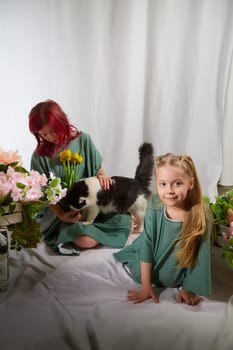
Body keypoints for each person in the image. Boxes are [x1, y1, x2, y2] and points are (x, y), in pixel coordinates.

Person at [29, 99, 132, 254]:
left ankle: (113, 228)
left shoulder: (83, 140)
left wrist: (102, 175)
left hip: (91, 203)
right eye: (44, 134)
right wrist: (62, 216)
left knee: (121, 216)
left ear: (62, 122)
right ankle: (104, 234)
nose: (50, 137)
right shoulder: (39, 156)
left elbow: (97, 168)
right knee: (84, 241)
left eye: (53, 131)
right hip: (63, 211)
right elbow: (44, 195)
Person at [114, 153, 214, 306]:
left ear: (191, 184)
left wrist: (189, 288)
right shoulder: (155, 203)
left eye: (177, 183)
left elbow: (202, 253)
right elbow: (147, 242)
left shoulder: (202, 213)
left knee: (173, 277)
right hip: (151, 261)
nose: (169, 191)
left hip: (179, 268)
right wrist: (146, 286)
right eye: (163, 184)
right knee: (139, 269)